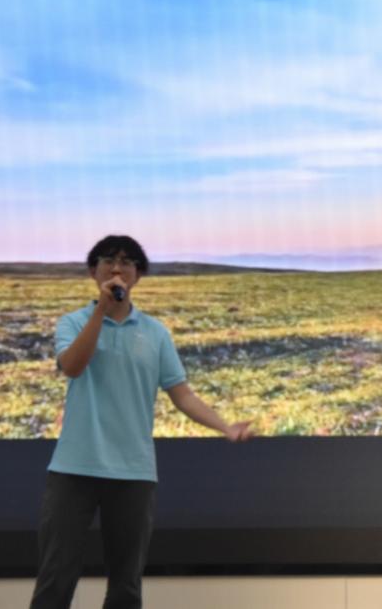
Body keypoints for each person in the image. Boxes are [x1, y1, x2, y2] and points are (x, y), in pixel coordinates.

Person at [30, 235, 253, 609]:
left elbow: (181, 394)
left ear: (138, 275)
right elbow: (72, 366)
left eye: (127, 262)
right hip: (73, 469)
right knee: (56, 578)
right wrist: (100, 313)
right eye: (108, 261)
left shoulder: (155, 333)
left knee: (126, 586)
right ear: (93, 272)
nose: (117, 269)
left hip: (133, 473)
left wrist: (225, 427)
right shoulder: (72, 322)